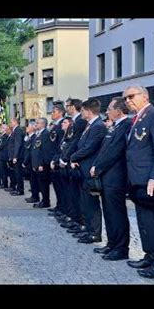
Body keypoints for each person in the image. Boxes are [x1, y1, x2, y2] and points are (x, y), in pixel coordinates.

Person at [123, 85, 154, 278]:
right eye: (125, 98)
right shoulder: (138, 118)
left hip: (150, 180)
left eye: (131, 96)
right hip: (137, 180)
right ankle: (149, 255)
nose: (127, 100)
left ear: (145, 96)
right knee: (143, 221)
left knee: (152, 222)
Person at [90, 97, 131, 261]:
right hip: (107, 178)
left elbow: (115, 152)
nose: (107, 112)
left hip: (116, 178)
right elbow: (104, 151)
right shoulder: (115, 126)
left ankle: (121, 248)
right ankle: (112, 244)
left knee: (117, 214)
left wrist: (98, 167)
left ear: (119, 111)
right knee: (109, 212)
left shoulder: (126, 125)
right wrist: (96, 164)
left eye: (110, 108)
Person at [70, 98, 107, 244]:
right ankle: (88, 229)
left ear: (88, 110)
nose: (82, 113)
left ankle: (94, 233)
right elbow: (81, 144)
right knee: (85, 202)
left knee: (92, 203)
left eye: (83, 110)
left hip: (90, 170)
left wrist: (73, 157)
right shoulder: (89, 125)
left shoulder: (98, 126)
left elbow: (89, 148)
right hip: (83, 169)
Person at [59, 98, 88, 234]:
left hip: (75, 162)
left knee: (79, 196)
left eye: (68, 106)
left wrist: (67, 158)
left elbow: (75, 142)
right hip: (69, 160)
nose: (66, 108)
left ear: (73, 107)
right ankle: (75, 219)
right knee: (73, 194)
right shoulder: (75, 122)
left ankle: (80, 221)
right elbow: (68, 141)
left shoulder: (80, 122)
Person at [48, 104, 66, 215]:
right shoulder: (55, 126)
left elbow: (60, 144)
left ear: (60, 112)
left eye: (54, 111)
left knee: (61, 187)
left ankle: (62, 208)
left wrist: (56, 159)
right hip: (53, 158)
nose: (52, 113)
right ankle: (59, 206)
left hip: (58, 159)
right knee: (57, 187)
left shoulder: (62, 125)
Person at [31, 118, 52, 208]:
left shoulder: (45, 134)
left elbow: (46, 151)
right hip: (36, 164)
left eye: (38, 123)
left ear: (43, 124)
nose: (36, 124)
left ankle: (45, 201)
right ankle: (43, 200)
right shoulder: (38, 134)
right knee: (40, 183)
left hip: (42, 165)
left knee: (44, 184)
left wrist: (42, 164)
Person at [22, 121, 39, 203]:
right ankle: (33, 195)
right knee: (31, 180)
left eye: (28, 127)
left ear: (32, 128)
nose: (26, 128)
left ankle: (35, 197)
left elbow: (30, 152)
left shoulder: (34, 137)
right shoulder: (28, 137)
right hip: (29, 162)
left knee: (34, 180)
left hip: (31, 162)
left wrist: (25, 162)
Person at [8, 118, 25, 195]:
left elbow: (18, 144)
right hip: (14, 155)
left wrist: (15, 156)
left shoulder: (18, 130)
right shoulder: (15, 130)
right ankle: (17, 188)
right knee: (16, 173)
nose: (10, 123)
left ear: (15, 122)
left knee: (18, 174)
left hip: (18, 156)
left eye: (11, 122)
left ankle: (20, 190)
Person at [0, 124, 10, 190]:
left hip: (4, 156)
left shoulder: (6, 136)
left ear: (5, 129)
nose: (0, 129)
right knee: (2, 171)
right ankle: (3, 183)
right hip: (0, 155)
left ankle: (5, 184)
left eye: (2, 128)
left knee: (4, 171)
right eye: (1, 128)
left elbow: (2, 145)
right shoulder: (1, 136)